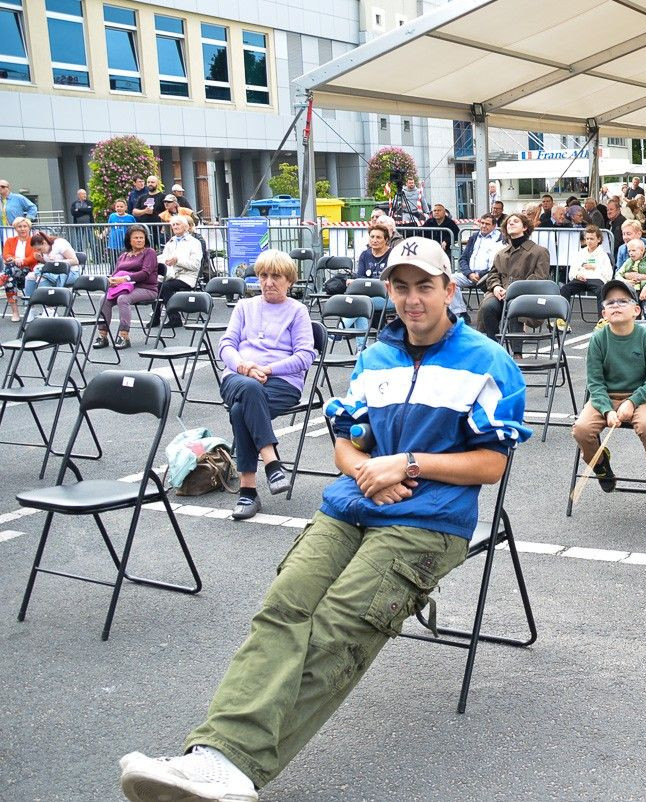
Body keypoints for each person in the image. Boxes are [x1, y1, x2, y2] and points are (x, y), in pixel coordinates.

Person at [118, 236, 530, 802]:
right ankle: (213, 756)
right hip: (354, 504)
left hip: (429, 519)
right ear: (388, 290)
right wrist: (366, 471)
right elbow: (344, 440)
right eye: (401, 287)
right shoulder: (376, 357)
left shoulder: (486, 360)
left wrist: (403, 464)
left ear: (449, 291)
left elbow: (492, 461)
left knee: (339, 626)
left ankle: (235, 764)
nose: (412, 299)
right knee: (283, 608)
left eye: (425, 287)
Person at [216, 250, 317, 520]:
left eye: (276, 276)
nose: (268, 282)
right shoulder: (244, 307)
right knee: (249, 389)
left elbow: (306, 355)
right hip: (239, 377)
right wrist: (244, 367)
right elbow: (226, 345)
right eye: (263, 276)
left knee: (240, 410)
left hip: (281, 382)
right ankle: (272, 464)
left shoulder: (297, 311)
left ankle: (248, 493)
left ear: (289, 281)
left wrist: (269, 369)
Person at [573, 279, 646, 502]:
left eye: (623, 301)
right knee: (581, 429)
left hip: (639, 398)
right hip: (605, 398)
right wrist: (607, 410)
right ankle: (600, 463)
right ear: (604, 313)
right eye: (610, 302)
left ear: (636, 310)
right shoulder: (598, 338)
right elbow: (595, 383)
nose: (616, 306)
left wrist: (632, 402)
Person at [476, 212, 550, 340]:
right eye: (509, 222)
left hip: (526, 295)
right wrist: (495, 287)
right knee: (487, 306)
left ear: (525, 227)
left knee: (514, 305)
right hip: (501, 294)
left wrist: (514, 290)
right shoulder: (501, 253)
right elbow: (493, 274)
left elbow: (540, 277)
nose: (510, 223)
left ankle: (517, 353)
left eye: (515, 221)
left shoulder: (539, 251)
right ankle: (493, 347)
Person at [94, 224, 158, 350]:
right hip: (124, 287)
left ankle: (124, 336)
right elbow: (115, 272)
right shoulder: (123, 255)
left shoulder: (149, 253)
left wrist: (125, 278)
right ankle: (103, 336)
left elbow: (145, 273)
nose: (139, 240)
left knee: (123, 299)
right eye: (136, 238)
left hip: (147, 288)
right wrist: (112, 280)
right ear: (129, 240)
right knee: (104, 299)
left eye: (142, 237)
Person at [340, 223, 394, 347]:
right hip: (365, 295)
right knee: (361, 303)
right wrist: (369, 282)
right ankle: (362, 348)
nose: (374, 240)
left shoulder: (392, 254)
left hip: (388, 296)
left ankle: (341, 329)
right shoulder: (365, 255)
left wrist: (367, 282)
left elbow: (390, 278)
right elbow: (359, 277)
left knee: (360, 303)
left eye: (378, 237)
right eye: (372, 237)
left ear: (386, 240)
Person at [152, 215, 203, 328]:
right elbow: (164, 257)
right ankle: (155, 318)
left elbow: (195, 266)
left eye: (178, 224)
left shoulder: (194, 242)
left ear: (186, 226)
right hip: (171, 274)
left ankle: (175, 319)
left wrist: (177, 261)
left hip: (187, 276)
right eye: (173, 225)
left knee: (165, 287)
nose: (175, 226)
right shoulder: (171, 241)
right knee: (153, 285)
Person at [451, 214, 501, 320]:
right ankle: (461, 313)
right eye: (482, 223)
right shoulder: (474, 237)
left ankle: (489, 318)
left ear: (494, 226)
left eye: (487, 224)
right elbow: (463, 259)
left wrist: (481, 274)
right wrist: (469, 273)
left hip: (489, 275)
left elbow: (498, 264)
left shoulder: (500, 239)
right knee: (449, 280)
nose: (483, 226)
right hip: (470, 274)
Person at [560, 224, 614, 318]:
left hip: (597, 279)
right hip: (581, 279)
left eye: (592, 239)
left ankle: (602, 320)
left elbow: (608, 274)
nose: (589, 241)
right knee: (565, 289)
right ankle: (562, 320)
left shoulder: (603, 255)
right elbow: (572, 271)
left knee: (602, 291)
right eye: (587, 238)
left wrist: (595, 268)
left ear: (599, 239)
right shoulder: (580, 253)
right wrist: (577, 275)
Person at [23, 231, 80, 300]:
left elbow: (75, 261)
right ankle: (29, 305)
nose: (39, 251)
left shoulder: (59, 244)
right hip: (53, 274)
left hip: (70, 273)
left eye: (39, 249)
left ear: (44, 243)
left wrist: (57, 262)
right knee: (30, 276)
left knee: (40, 275)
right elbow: (50, 266)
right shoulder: (45, 250)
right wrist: (41, 260)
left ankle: (49, 308)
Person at [2, 217, 38, 321]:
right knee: (10, 279)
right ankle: (15, 312)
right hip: (13, 272)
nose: (22, 229)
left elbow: (34, 256)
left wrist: (22, 261)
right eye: (19, 227)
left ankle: (2, 279)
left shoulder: (34, 240)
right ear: (15, 228)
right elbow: (6, 255)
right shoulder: (10, 241)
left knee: (8, 274)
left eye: (25, 226)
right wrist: (15, 259)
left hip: (29, 271)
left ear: (29, 228)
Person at [616, 237, 646, 311]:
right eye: (629, 251)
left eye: (634, 250)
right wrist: (626, 281)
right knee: (632, 311)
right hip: (630, 292)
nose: (631, 253)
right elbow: (617, 275)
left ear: (642, 251)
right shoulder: (628, 262)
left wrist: (644, 290)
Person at [106, 199, 136, 263]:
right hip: (113, 243)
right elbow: (108, 227)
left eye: (121, 207)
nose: (119, 208)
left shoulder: (130, 217)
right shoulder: (112, 216)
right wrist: (101, 235)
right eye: (117, 207)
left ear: (125, 207)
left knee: (125, 262)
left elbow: (135, 230)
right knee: (113, 262)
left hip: (125, 243)